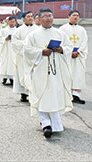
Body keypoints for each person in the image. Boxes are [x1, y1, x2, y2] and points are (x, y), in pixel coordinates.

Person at [24, 8, 73, 138]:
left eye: (50, 16)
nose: (48, 18)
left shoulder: (59, 33)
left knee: (54, 96)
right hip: (40, 71)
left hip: (56, 71)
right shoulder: (33, 35)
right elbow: (27, 51)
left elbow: (69, 47)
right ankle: (46, 123)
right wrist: (41, 52)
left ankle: (56, 124)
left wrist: (61, 49)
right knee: (41, 95)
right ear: (39, 19)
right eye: (44, 16)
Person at [59, 10, 88, 104]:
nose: (76, 17)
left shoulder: (82, 29)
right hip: (67, 56)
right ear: (69, 16)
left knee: (77, 75)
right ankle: (66, 95)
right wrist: (69, 52)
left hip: (78, 56)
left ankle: (76, 95)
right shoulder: (62, 29)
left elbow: (84, 42)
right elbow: (61, 41)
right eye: (73, 15)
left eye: (77, 15)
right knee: (67, 74)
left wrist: (78, 52)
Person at [12, 11, 38, 102]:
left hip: (34, 57)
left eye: (32, 16)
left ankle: (33, 95)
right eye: (28, 16)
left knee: (33, 76)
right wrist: (26, 45)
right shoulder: (18, 30)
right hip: (22, 57)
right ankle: (24, 94)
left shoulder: (37, 30)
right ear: (23, 19)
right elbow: (14, 43)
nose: (31, 18)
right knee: (23, 75)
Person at [0, 16, 17, 85]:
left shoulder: (17, 31)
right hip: (5, 49)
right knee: (5, 63)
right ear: (8, 22)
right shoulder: (4, 30)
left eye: (13, 22)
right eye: (11, 21)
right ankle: (5, 78)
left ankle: (12, 79)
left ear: (15, 22)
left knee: (12, 64)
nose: (12, 23)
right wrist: (5, 39)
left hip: (13, 50)